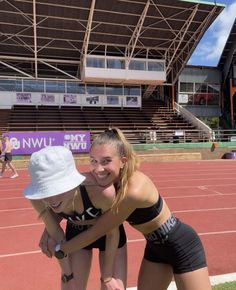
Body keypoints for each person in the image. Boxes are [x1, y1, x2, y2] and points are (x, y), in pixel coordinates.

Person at [53, 128, 212, 290]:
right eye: (93, 160)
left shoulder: (134, 190)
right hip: (155, 248)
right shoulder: (107, 180)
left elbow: (97, 231)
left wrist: (60, 249)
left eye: (106, 161)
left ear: (123, 160)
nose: (98, 169)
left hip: (181, 245)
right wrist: (50, 227)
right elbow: (67, 197)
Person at [23, 146, 127, 290]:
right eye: (45, 191)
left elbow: (112, 233)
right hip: (77, 233)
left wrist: (107, 277)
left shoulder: (102, 193)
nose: (52, 200)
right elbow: (58, 237)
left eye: (57, 189)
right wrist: (68, 275)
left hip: (109, 235)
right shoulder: (38, 199)